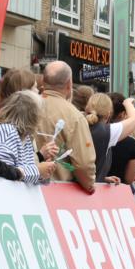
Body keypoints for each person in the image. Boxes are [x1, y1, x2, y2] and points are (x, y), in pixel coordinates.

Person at [39, 61, 96, 193]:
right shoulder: (74, 116)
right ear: (69, 84)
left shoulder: (24, 106)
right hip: (57, 192)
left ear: (43, 80)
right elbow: (83, 164)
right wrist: (89, 184)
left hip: (22, 189)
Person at [0, 90, 59, 183]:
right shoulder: (6, 132)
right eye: (40, 114)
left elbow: (24, 176)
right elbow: (4, 175)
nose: (41, 118)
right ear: (32, 115)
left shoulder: (25, 137)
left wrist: (44, 173)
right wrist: (38, 170)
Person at [85, 92, 135, 183]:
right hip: (90, 190)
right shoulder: (105, 131)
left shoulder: (79, 124)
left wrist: (102, 178)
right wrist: (127, 103)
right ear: (108, 114)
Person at [106, 93, 135, 185]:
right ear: (122, 114)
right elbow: (129, 179)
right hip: (118, 192)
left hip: (91, 189)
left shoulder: (93, 131)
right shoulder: (131, 143)